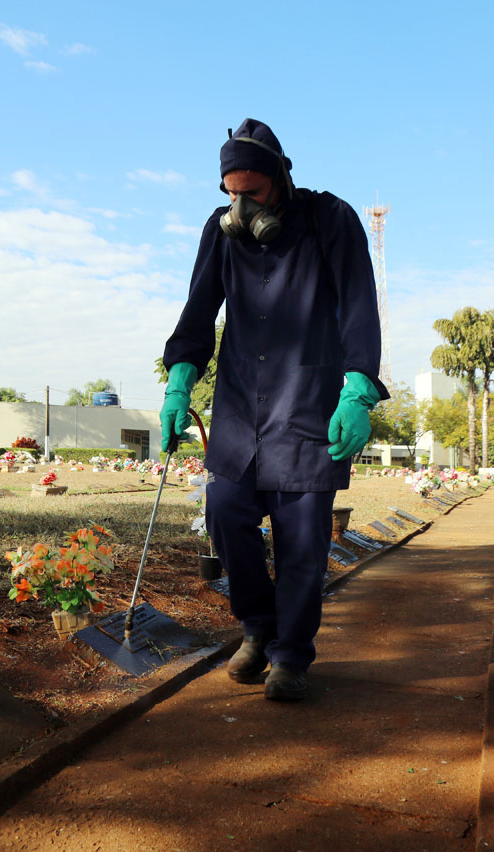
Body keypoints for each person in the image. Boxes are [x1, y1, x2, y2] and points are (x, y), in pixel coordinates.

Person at [160, 118, 387, 701]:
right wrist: (179, 382)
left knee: (302, 545)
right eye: (230, 193)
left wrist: (357, 391)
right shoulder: (222, 229)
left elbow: (359, 307)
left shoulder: (330, 220)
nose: (239, 206)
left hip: (308, 409)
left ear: (281, 178)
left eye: (251, 194)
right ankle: (258, 629)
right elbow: (199, 307)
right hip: (239, 408)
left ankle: (291, 655)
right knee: (226, 517)